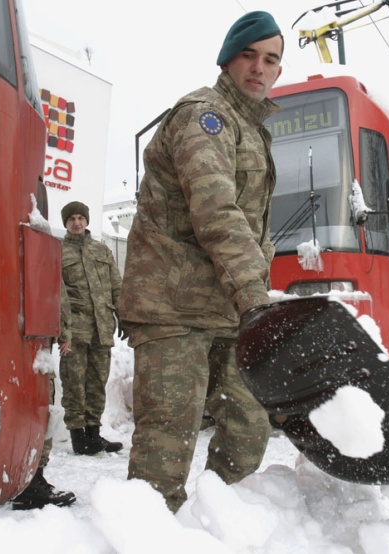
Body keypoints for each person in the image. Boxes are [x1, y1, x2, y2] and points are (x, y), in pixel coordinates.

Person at [117, 11, 284, 512]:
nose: (259, 67)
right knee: (168, 436)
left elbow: (252, 229)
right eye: (248, 55)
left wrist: (251, 300)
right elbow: (216, 211)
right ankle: (146, 535)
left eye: (270, 59)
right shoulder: (204, 115)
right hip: (171, 304)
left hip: (225, 305)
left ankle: (217, 525)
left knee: (248, 425)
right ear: (228, 59)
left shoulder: (253, 129)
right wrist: (257, 299)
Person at [59, 201, 124, 455]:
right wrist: (64, 331)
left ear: (86, 221)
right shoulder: (59, 253)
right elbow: (56, 294)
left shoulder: (102, 250)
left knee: (97, 382)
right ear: (66, 223)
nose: (76, 222)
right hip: (75, 330)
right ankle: (78, 437)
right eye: (71, 218)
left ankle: (93, 435)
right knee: (75, 383)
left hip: (101, 328)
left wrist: (123, 315)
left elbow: (116, 285)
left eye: (80, 218)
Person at [12, 287, 76, 509]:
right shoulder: (43, 252)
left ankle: (23, 476)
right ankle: (30, 479)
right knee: (40, 402)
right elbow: (53, 286)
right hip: (34, 333)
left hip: (15, 326)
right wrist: (64, 328)